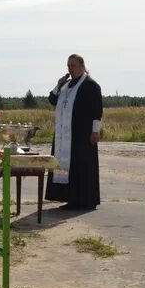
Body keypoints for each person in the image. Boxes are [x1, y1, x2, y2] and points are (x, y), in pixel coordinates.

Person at [45, 54, 103, 210]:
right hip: (64, 134)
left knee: (81, 167)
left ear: (82, 66)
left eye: (73, 66)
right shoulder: (66, 85)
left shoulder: (90, 85)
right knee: (66, 166)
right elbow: (52, 100)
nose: (70, 69)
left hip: (81, 134)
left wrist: (95, 131)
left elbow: (97, 110)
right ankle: (69, 198)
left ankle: (85, 200)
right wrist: (58, 85)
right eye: (68, 66)